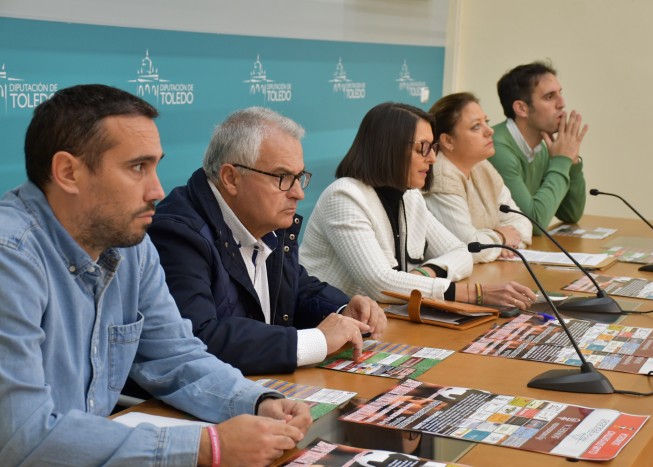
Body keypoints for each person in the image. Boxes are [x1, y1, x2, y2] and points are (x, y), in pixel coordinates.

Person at [0, 84, 312, 466]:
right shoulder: (10, 258)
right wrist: (207, 447)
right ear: (68, 172)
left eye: (156, 166)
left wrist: (257, 402)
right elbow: (22, 437)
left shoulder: (132, 247)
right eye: (137, 168)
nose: (157, 190)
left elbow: (175, 357)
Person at [148, 107, 386, 376]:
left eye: (299, 178)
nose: (298, 194)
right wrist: (313, 341)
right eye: (283, 178)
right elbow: (198, 337)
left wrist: (343, 310)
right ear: (231, 178)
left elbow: (295, 288)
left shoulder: (266, 224)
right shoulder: (178, 234)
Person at [300, 102, 535, 309]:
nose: (432, 158)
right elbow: (381, 285)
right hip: (331, 326)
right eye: (423, 147)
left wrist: (424, 273)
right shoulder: (344, 196)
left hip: (385, 319)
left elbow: (461, 251)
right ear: (389, 148)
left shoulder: (410, 197)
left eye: (432, 147)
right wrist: (475, 294)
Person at [424, 92, 532, 263]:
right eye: (476, 127)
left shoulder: (482, 166)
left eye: (486, 122)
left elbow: (522, 222)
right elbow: (469, 248)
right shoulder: (441, 176)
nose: (490, 131)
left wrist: (502, 243)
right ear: (448, 141)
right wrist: (501, 238)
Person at [489, 61, 589, 233]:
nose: (562, 103)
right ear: (521, 108)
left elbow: (571, 213)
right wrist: (561, 160)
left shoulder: (542, 148)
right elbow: (534, 223)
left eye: (560, 93)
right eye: (549, 97)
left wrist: (571, 162)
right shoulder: (497, 148)